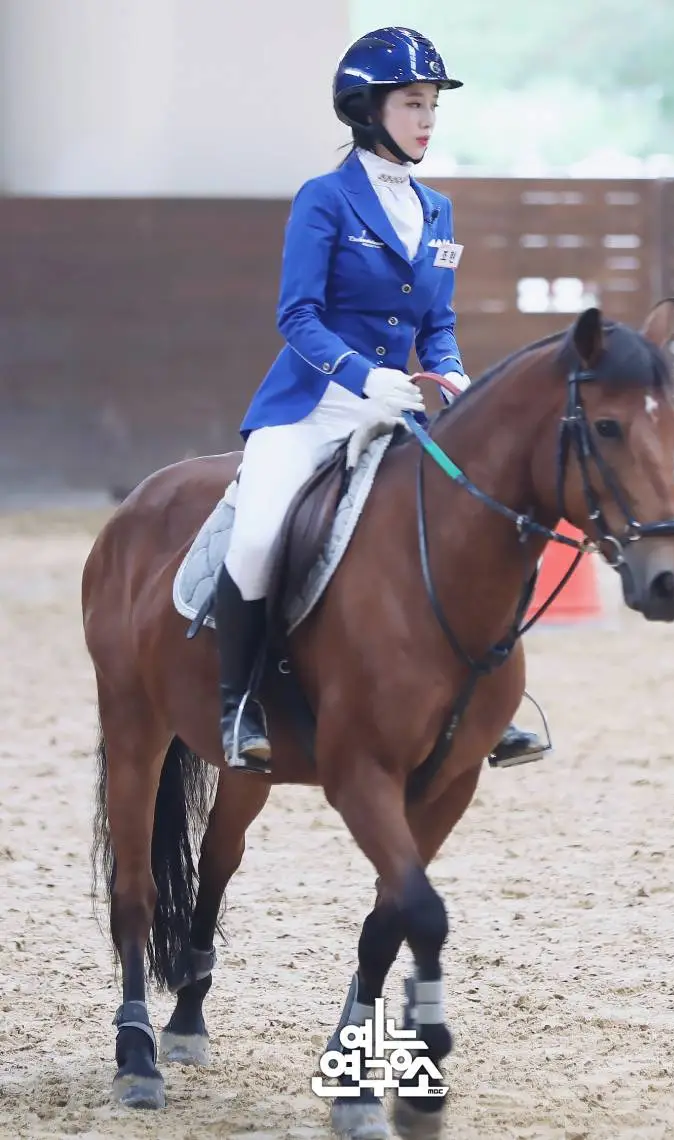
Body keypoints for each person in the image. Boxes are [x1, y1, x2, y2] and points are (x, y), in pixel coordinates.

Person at [215, 25, 547, 774]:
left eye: (433, 104)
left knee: (475, 531)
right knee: (261, 533)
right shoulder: (324, 200)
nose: (427, 119)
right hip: (310, 408)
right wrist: (362, 376)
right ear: (369, 109)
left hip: (396, 411)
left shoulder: (437, 212)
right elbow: (295, 316)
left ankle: (486, 701)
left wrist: (453, 371)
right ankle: (237, 704)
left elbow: (437, 324)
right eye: (412, 103)